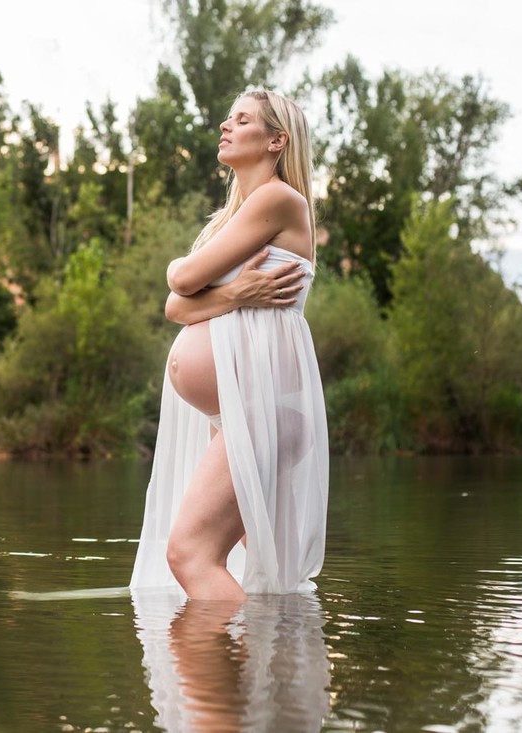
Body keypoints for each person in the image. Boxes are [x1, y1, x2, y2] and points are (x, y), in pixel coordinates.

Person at [129, 89, 329, 600]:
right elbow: (176, 307)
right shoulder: (231, 218)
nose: (226, 125)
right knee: (246, 568)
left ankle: (227, 675)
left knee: (190, 554)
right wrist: (237, 293)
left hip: (264, 410)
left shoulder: (280, 199)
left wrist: (195, 283)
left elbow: (185, 278)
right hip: (242, 414)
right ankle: (256, 669)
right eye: (228, 118)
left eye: (242, 120)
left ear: (276, 141)